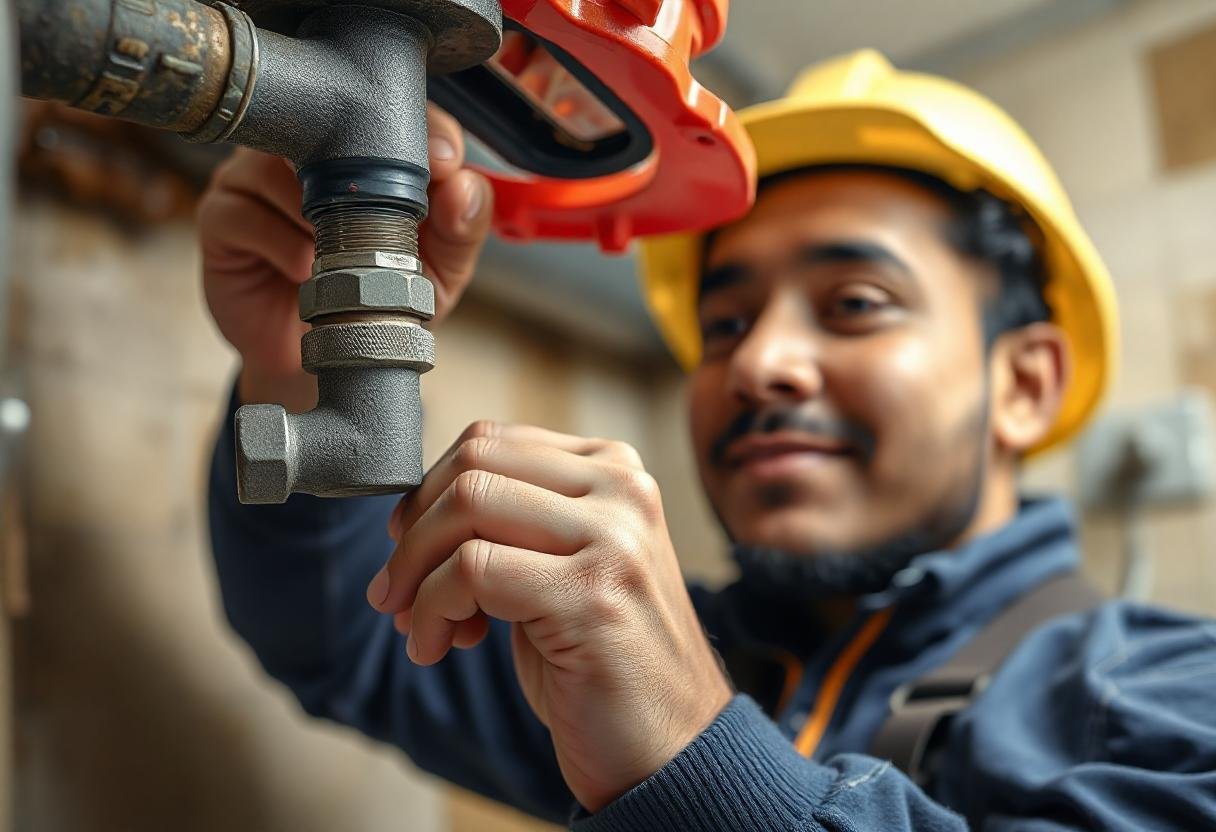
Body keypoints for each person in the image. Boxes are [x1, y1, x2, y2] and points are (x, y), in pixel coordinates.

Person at [201, 51, 1216, 830]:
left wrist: (700, 756)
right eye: (725, 322)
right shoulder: (639, 655)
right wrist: (305, 368)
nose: (759, 361)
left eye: (854, 303)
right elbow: (340, 639)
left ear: (1024, 384)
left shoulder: (1173, 694)